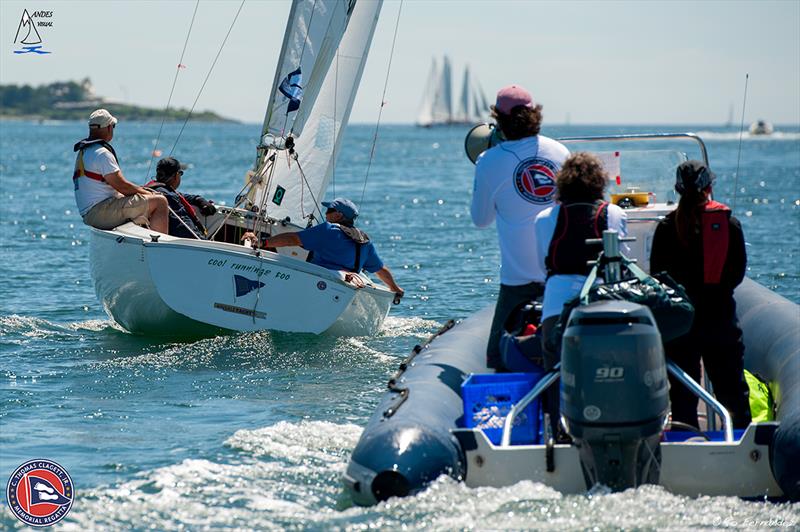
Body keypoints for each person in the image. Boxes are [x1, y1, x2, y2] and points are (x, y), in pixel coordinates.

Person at [470, 84, 570, 370]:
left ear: (498, 121)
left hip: (518, 281)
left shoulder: (488, 161)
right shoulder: (560, 151)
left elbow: (481, 220)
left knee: (497, 359)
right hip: (560, 276)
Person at [650, 160, 751, 429]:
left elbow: (658, 276)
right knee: (733, 393)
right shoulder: (730, 224)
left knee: (683, 396)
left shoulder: (666, 227)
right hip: (720, 320)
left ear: (677, 189)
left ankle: (687, 443)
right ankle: (741, 445)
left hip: (682, 325)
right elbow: (736, 275)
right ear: (709, 187)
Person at [534, 152, 628, 438]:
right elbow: (622, 262)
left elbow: (543, 265)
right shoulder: (614, 214)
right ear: (599, 182)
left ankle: (557, 434)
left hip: (556, 308)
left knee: (555, 372)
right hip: (604, 307)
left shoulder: (544, 218)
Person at [241, 198, 404, 297]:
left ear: (338, 215)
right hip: (349, 287)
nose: (326, 214)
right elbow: (381, 270)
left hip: (318, 284)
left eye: (329, 210)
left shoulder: (328, 230)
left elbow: (292, 239)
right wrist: (395, 289)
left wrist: (263, 243)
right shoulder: (365, 241)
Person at [73, 109, 168, 232]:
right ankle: (159, 247)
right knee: (160, 202)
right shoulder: (102, 153)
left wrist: (141, 192)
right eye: (113, 126)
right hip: (100, 213)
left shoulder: (85, 151)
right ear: (108, 128)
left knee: (142, 199)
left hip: (89, 213)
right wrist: (149, 194)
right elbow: (123, 187)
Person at [145, 157, 216, 239]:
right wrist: (204, 242)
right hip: (184, 246)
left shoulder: (154, 189)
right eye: (181, 173)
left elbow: (185, 197)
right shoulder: (170, 198)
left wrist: (201, 201)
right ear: (176, 175)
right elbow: (184, 230)